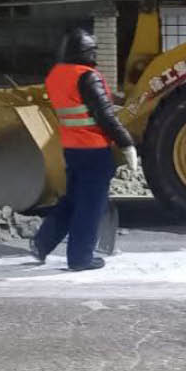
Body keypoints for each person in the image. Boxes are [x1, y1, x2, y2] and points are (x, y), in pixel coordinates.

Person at [30, 27, 139, 271]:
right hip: (95, 152)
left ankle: (42, 242)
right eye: (93, 51)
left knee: (72, 201)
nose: (95, 57)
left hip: (72, 149)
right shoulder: (87, 76)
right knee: (90, 207)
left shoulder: (56, 76)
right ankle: (80, 258)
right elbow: (105, 116)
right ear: (84, 52)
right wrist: (126, 143)